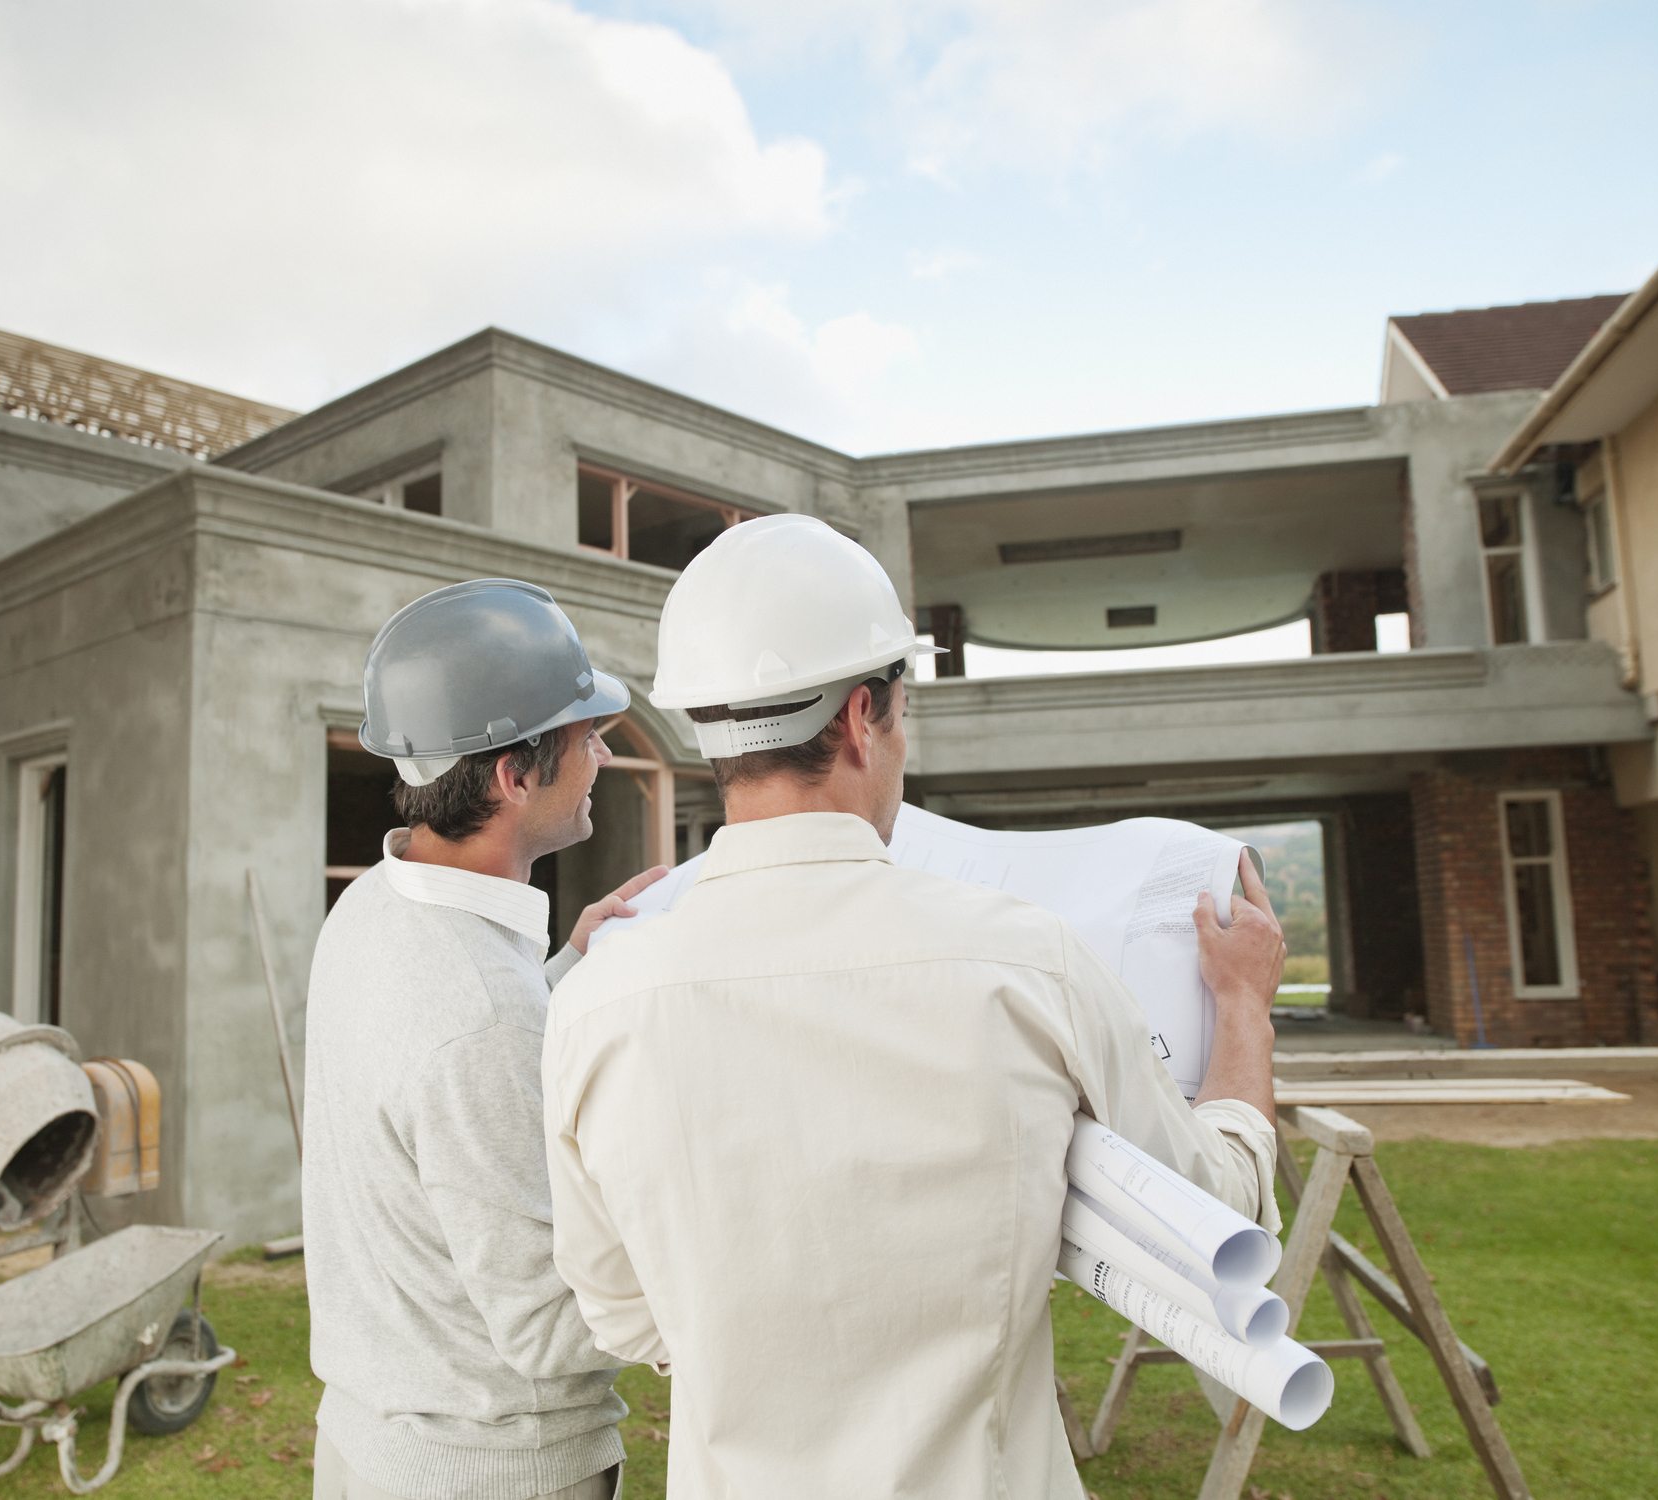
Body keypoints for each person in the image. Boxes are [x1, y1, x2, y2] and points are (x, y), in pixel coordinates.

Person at [541, 516, 1287, 1499]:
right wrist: (1242, 1008)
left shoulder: (597, 1000)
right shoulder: (1026, 964)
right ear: (862, 717)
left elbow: (624, 1316)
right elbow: (1210, 1222)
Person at [305, 579, 665, 1500]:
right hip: (487, 1469)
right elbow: (551, 1328)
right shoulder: (477, 1017)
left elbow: (443, 1078)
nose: (603, 752)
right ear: (514, 774)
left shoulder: (372, 904)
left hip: (376, 1438)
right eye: (587, 736)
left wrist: (565, 968)